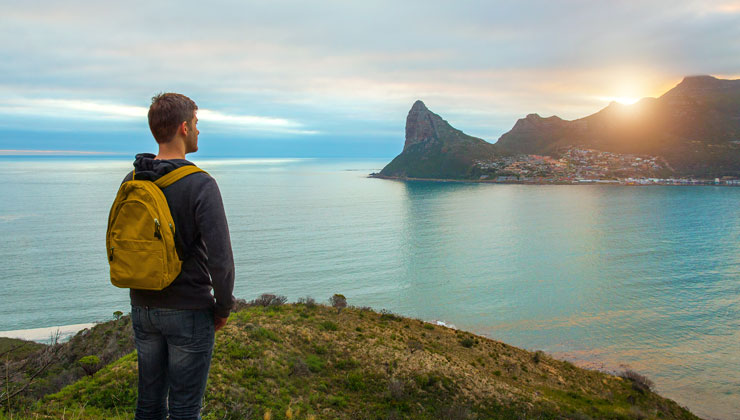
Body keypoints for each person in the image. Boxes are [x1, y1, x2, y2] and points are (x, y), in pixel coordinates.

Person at [123, 93, 235, 420]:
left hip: (142, 306)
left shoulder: (133, 180)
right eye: (197, 124)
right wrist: (223, 306)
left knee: (148, 405)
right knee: (185, 410)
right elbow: (221, 259)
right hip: (188, 309)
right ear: (184, 128)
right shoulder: (200, 184)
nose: (200, 131)